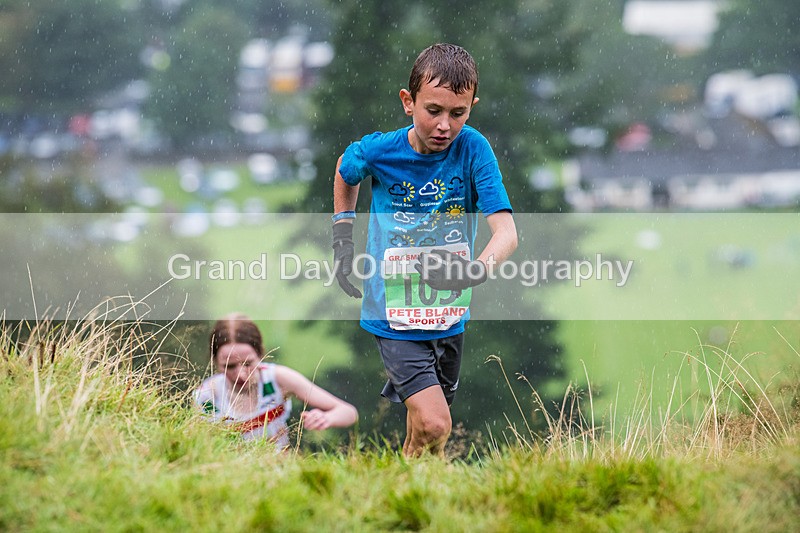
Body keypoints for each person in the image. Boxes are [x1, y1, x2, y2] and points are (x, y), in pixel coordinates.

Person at [331, 43, 518, 457]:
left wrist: (473, 271)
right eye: (433, 110)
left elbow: (506, 233)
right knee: (436, 423)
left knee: (426, 435)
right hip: (392, 313)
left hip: (448, 315)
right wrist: (342, 235)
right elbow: (346, 168)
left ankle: (406, 485)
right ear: (408, 101)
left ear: (471, 107)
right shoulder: (382, 151)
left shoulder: (474, 150)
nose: (444, 126)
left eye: (458, 113)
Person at [194, 313, 358, 448]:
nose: (241, 374)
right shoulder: (206, 396)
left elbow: (349, 412)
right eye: (229, 366)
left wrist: (326, 418)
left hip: (280, 471)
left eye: (248, 363)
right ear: (214, 362)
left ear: (261, 354)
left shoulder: (276, 379)